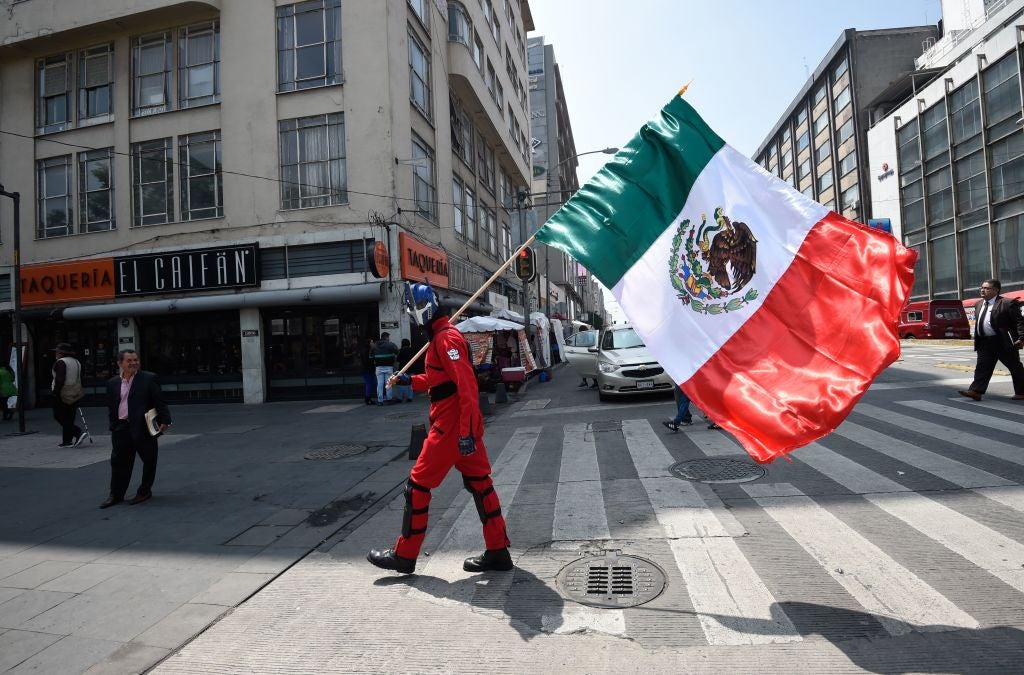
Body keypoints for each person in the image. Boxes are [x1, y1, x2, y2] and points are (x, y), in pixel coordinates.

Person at [368, 281, 512, 575]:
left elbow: (467, 387)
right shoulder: (441, 338)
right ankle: (498, 550)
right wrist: (410, 380)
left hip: (450, 428)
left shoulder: (445, 340)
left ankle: (404, 555)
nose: (412, 317)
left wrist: (466, 433)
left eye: (413, 311)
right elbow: (440, 383)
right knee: (482, 486)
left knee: (417, 487)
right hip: (459, 428)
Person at [101, 350, 171, 509]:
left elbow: (159, 401)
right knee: (119, 462)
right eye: (129, 361)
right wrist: (113, 424)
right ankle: (116, 494)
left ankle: (144, 491)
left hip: (145, 425)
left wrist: (166, 420)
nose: (133, 363)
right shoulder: (112, 383)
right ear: (120, 363)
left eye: (135, 360)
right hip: (121, 427)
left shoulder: (148, 378)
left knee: (149, 459)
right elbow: (112, 405)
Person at [958, 279, 1024, 402]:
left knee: (1015, 367)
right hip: (984, 342)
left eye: (987, 288)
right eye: (982, 287)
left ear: (996, 290)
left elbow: (1020, 321)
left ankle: (1021, 392)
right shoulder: (978, 304)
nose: (983, 290)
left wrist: (1021, 338)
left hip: (1003, 341)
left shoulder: (1007, 303)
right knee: (982, 367)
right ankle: (976, 391)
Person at [51, 343, 87, 447]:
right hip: (75, 392)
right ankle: (67, 440)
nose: (56, 353)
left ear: (62, 353)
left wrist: (55, 392)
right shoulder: (77, 362)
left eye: (57, 352)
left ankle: (77, 432)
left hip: (63, 393)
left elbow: (60, 379)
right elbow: (80, 377)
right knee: (69, 416)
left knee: (58, 415)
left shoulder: (61, 362)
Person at [372, 331, 399, 405]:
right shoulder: (390, 344)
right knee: (389, 383)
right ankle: (389, 399)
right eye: (388, 337)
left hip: (378, 367)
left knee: (380, 384)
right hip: (388, 366)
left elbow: (371, 356)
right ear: (386, 337)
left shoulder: (374, 345)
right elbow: (397, 352)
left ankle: (380, 400)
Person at [395, 338, 416, 402]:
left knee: (401, 384)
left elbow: (398, 359)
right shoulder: (412, 350)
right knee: (410, 384)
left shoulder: (401, 350)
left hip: (403, 369)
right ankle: (410, 397)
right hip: (411, 368)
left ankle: (400, 398)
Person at [360, 337, 376, 405]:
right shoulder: (366, 351)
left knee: (371, 384)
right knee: (369, 384)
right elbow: (366, 361)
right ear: (369, 343)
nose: (373, 343)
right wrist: (373, 361)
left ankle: (369, 398)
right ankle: (367, 399)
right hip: (367, 370)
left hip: (369, 370)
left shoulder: (368, 350)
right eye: (372, 342)